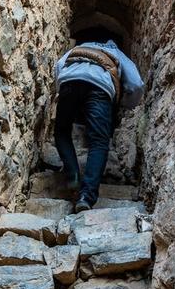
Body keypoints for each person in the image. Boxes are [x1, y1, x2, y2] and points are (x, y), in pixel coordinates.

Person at [53, 35, 144, 212]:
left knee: (61, 132)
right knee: (99, 142)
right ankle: (86, 196)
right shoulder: (116, 52)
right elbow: (136, 84)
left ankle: (73, 176)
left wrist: (62, 90)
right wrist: (125, 104)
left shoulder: (78, 48)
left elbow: (58, 66)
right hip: (99, 88)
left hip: (69, 81)